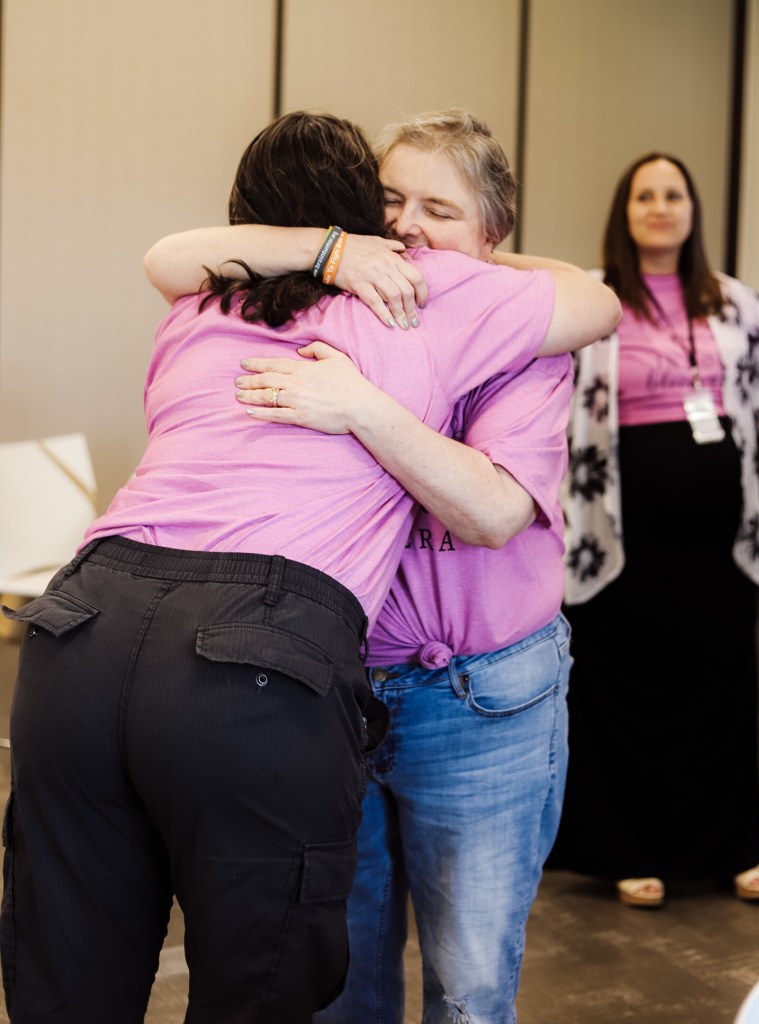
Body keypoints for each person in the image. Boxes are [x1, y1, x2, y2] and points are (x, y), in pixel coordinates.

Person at [0, 111, 618, 1024]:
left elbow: (494, 509)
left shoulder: (215, 306)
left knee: (463, 978)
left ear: (492, 234)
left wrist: (360, 402)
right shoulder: (361, 287)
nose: (406, 226)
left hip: (127, 631)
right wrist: (336, 253)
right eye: (388, 200)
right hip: (293, 670)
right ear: (349, 213)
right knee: (300, 980)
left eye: (438, 209)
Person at [544, 152, 759, 908]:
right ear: (624, 211)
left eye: (673, 194)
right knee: (621, 692)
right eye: (645, 195)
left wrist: (738, 431)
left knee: (721, 690)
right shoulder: (596, 298)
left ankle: (738, 847)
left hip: (718, 543)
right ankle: (629, 852)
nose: (660, 207)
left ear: (692, 210)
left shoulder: (731, 301)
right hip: (618, 537)